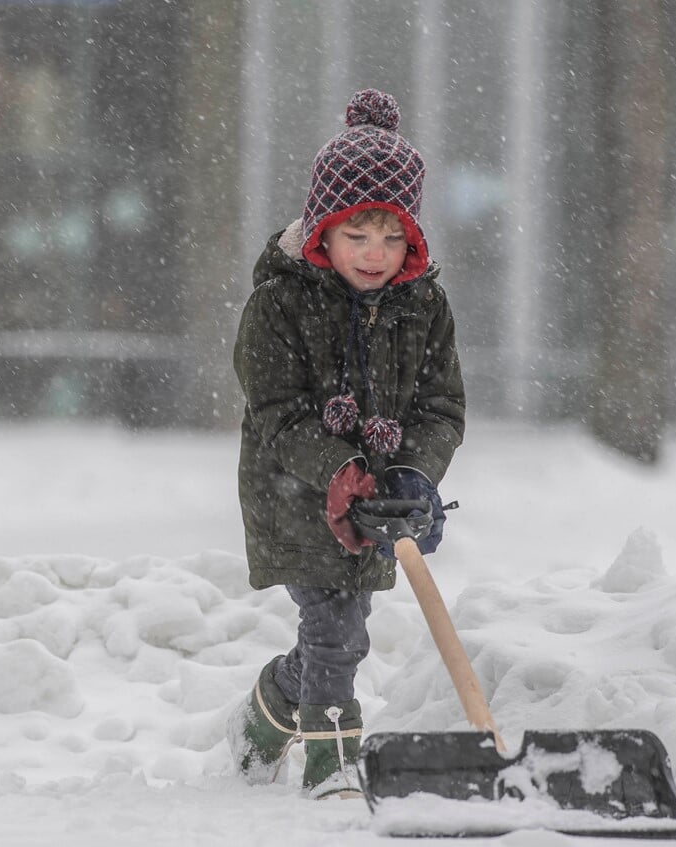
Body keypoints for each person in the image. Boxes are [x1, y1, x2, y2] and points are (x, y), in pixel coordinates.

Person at [226, 89, 465, 799]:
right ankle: (334, 765)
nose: (375, 254)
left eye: (392, 237)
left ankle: (267, 714)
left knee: (336, 631)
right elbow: (275, 409)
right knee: (335, 629)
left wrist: (412, 475)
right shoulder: (278, 301)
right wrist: (337, 469)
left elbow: (439, 405)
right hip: (295, 493)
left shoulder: (423, 304)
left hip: (377, 504)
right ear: (323, 230)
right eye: (357, 234)